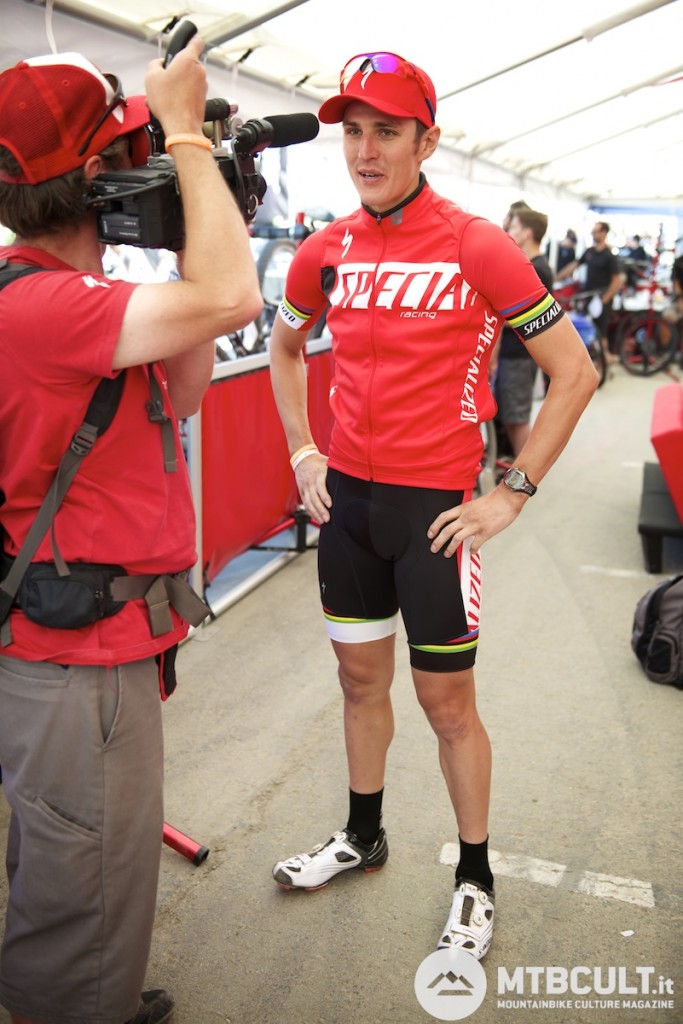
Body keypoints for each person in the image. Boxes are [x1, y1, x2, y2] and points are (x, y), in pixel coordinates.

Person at [268, 50, 599, 960]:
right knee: (357, 684)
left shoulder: (476, 244)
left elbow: (575, 373)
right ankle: (362, 833)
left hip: (435, 519)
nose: (365, 150)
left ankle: (475, 878)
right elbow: (283, 348)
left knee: (447, 706)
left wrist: (511, 492)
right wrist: (302, 447)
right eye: (352, 132)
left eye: (385, 131)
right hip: (350, 511)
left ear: (426, 140)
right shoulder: (323, 248)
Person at [0, 40, 261, 1024]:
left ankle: (74, 992)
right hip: (76, 659)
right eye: (131, 155)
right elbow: (233, 301)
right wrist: (190, 140)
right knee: (83, 871)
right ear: (95, 181)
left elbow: (187, 380)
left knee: (79, 869)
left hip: (86, 650)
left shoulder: (83, 305)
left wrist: (215, 202)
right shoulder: (49, 309)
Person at [492, 207, 554, 456]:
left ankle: (521, 479)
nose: (510, 232)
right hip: (516, 354)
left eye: (514, 227)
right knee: (511, 415)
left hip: (518, 354)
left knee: (516, 418)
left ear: (527, 233)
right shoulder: (534, 264)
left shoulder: (536, 268)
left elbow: (525, 316)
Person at [556, 221, 624, 364]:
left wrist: (605, 299)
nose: (594, 234)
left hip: (601, 299)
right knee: (588, 328)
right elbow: (574, 265)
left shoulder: (609, 256)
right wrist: (557, 277)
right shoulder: (590, 252)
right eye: (593, 231)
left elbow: (616, 280)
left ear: (604, 232)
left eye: (597, 231)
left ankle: (603, 362)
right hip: (589, 297)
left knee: (601, 331)